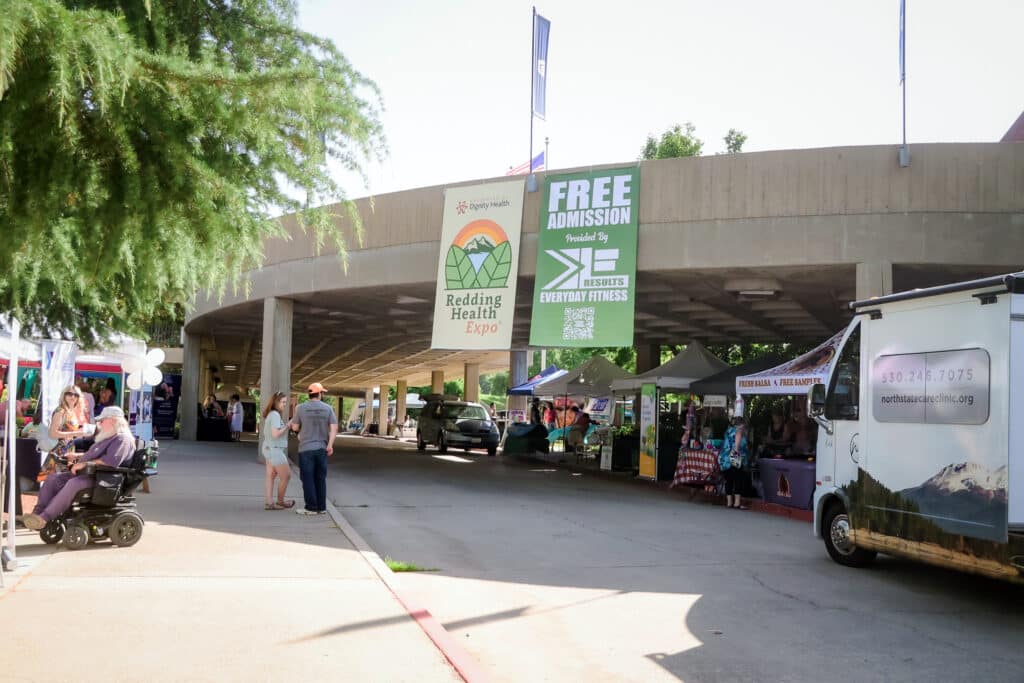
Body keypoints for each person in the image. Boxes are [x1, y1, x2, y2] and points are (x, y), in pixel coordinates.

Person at [21, 406, 135, 530]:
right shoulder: (109, 436)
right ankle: (36, 515)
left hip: (102, 478)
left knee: (73, 483)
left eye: (102, 420)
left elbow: (110, 461)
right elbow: (100, 455)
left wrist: (84, 464)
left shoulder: (122, 439)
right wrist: (78, 456)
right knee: (52, 478)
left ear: (113, 421)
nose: (99, 423)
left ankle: (44, 518)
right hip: (88, 473)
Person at [289, 382, 338, 516]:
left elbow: (294, 427)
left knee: (308, 479)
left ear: (309, 394)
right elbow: (334, 428)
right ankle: (321, 507)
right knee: (320, 478)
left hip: (305, 449)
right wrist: (330, 445)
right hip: (322, 449)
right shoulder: (328, 408)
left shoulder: (300, 408)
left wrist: (300, 432)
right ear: (320, 394)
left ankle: (311, 507)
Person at [261, 391, 294, 510]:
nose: (285, 405)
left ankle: (270, 502)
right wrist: (287, 425)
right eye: (283, 402)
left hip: (268, 448)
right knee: (286, 476)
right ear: (276, 402)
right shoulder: (275, 415)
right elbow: (275, 434)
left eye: (286, 402)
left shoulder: (271, 414)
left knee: (270, 475)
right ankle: (280, 501)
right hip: (274, 450)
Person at [719, 416, 750, 509]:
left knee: (729, 480)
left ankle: (729, 502)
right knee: (738, 479)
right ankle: (737, 503)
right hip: (735, 457)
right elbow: (737, 443)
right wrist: (736, 454)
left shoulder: (728, 430)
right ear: (742, 424)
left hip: (725, 459)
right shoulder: (739, 430)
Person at [49, 385, 88, 457]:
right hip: (58, 451)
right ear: (64, 395)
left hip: (68, 450)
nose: (73, 397)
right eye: (70, 394)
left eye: (76, 395)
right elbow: (53, 433)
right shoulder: (60, 411)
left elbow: (67, 430)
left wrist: (81, 431)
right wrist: (75, 433)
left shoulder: (71, 411)